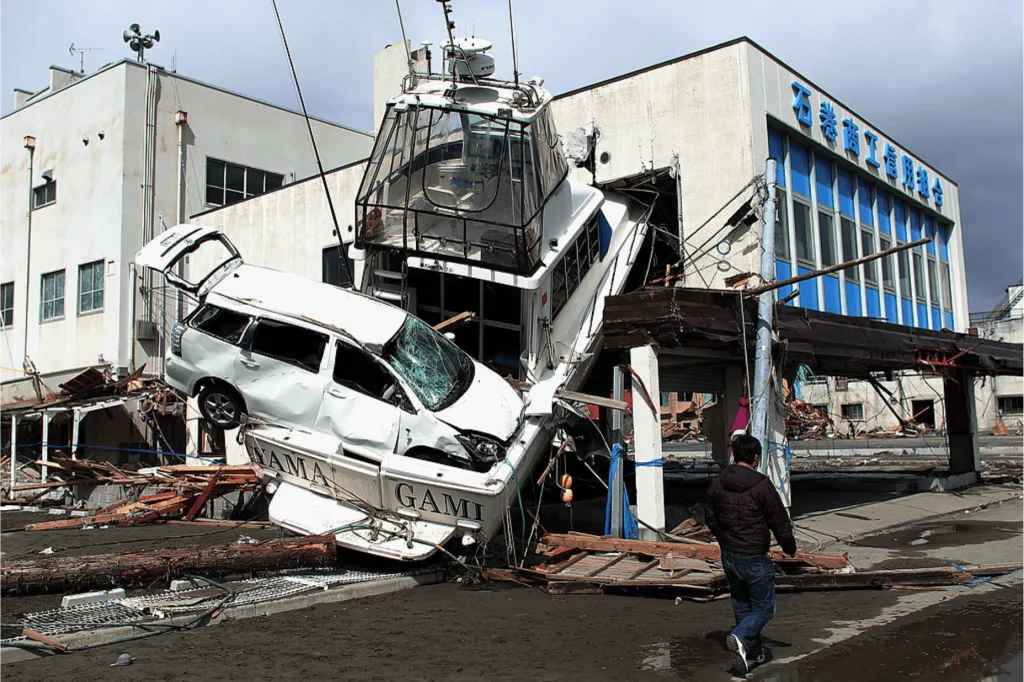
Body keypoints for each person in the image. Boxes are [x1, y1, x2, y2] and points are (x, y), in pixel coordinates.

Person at [704, 433, 797, 676]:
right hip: (754, 554)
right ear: (756, 458)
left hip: (730, 555)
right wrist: (790, 548)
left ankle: (751, 655)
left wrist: (724, 537)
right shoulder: (762, 485)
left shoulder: (717, 482)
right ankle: (740, 635)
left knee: (743, 605)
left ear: (734, 454)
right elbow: (780, 521)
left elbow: (710, 517)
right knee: (765, 607)